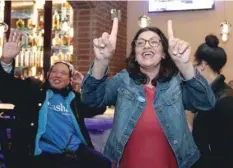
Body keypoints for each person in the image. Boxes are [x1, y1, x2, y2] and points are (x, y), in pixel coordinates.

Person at [80, 18, 215, 168]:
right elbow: (90, 100)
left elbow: (205, 103)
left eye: (153, 42)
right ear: (135, 54)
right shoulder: (123, 79)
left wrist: (184, 65)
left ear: (164, 53)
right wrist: (102, 61)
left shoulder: (176, 82)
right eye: (140, 42)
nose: (146, 45)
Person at [0, 30, 112, 168]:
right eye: (54, 71)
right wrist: (6, 60)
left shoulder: (75, 99)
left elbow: (98, 107)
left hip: (75, 152)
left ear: (70, 80)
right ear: (48, 75)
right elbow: (5, 90)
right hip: (42, 155)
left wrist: (85, 86)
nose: (57, 75)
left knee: (105, 163)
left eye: (63, 73)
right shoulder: (32, 90)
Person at [191, 34, 233, 168]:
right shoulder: (209, 95)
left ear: (202, 64)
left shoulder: (225, 99)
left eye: (195, 65)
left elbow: (225, 152)